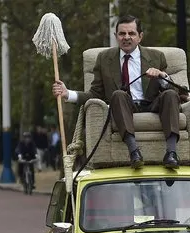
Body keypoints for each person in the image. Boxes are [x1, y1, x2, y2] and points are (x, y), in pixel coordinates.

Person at [52, 15, 182, 170]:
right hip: (124, 106)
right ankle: (134, 152)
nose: (126, 37)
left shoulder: (156, 57)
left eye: (131, 34)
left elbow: (173, 91)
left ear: (140, 37)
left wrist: (162, 76)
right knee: (118, 94)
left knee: (170, 95)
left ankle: (171, 153)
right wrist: (68, 94)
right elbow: (95, 94)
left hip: (152, 104)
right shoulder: (104, 58)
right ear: (116, 36)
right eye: (122, 34)